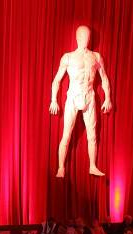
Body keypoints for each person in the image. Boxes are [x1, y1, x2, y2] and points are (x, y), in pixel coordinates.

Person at [49, 25, 111, 177]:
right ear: (77, 38)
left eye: (87, 36)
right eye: (82, 36)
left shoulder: (96, 57)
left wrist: (108, 98)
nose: (85, 39)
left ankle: (92, 165)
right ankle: (61, 167)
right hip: (73, 96)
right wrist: (53, 100)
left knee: (93, 135)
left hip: (89, 96)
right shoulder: (68, 57)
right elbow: (57, 80)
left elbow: (104, 78)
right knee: (66, 134)